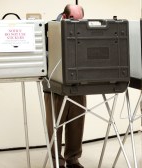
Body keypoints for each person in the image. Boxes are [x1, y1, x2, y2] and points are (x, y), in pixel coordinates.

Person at [43, 4, 86, 168]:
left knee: (77, 122)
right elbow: (45, 56)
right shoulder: (49, 29)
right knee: (54, 124)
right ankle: (56, 161)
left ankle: (73, 159)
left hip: (77, 83)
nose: (78, 24)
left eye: (81, 21)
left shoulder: (83, 30)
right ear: (65, 16)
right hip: (54, 84)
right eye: (75, 20)